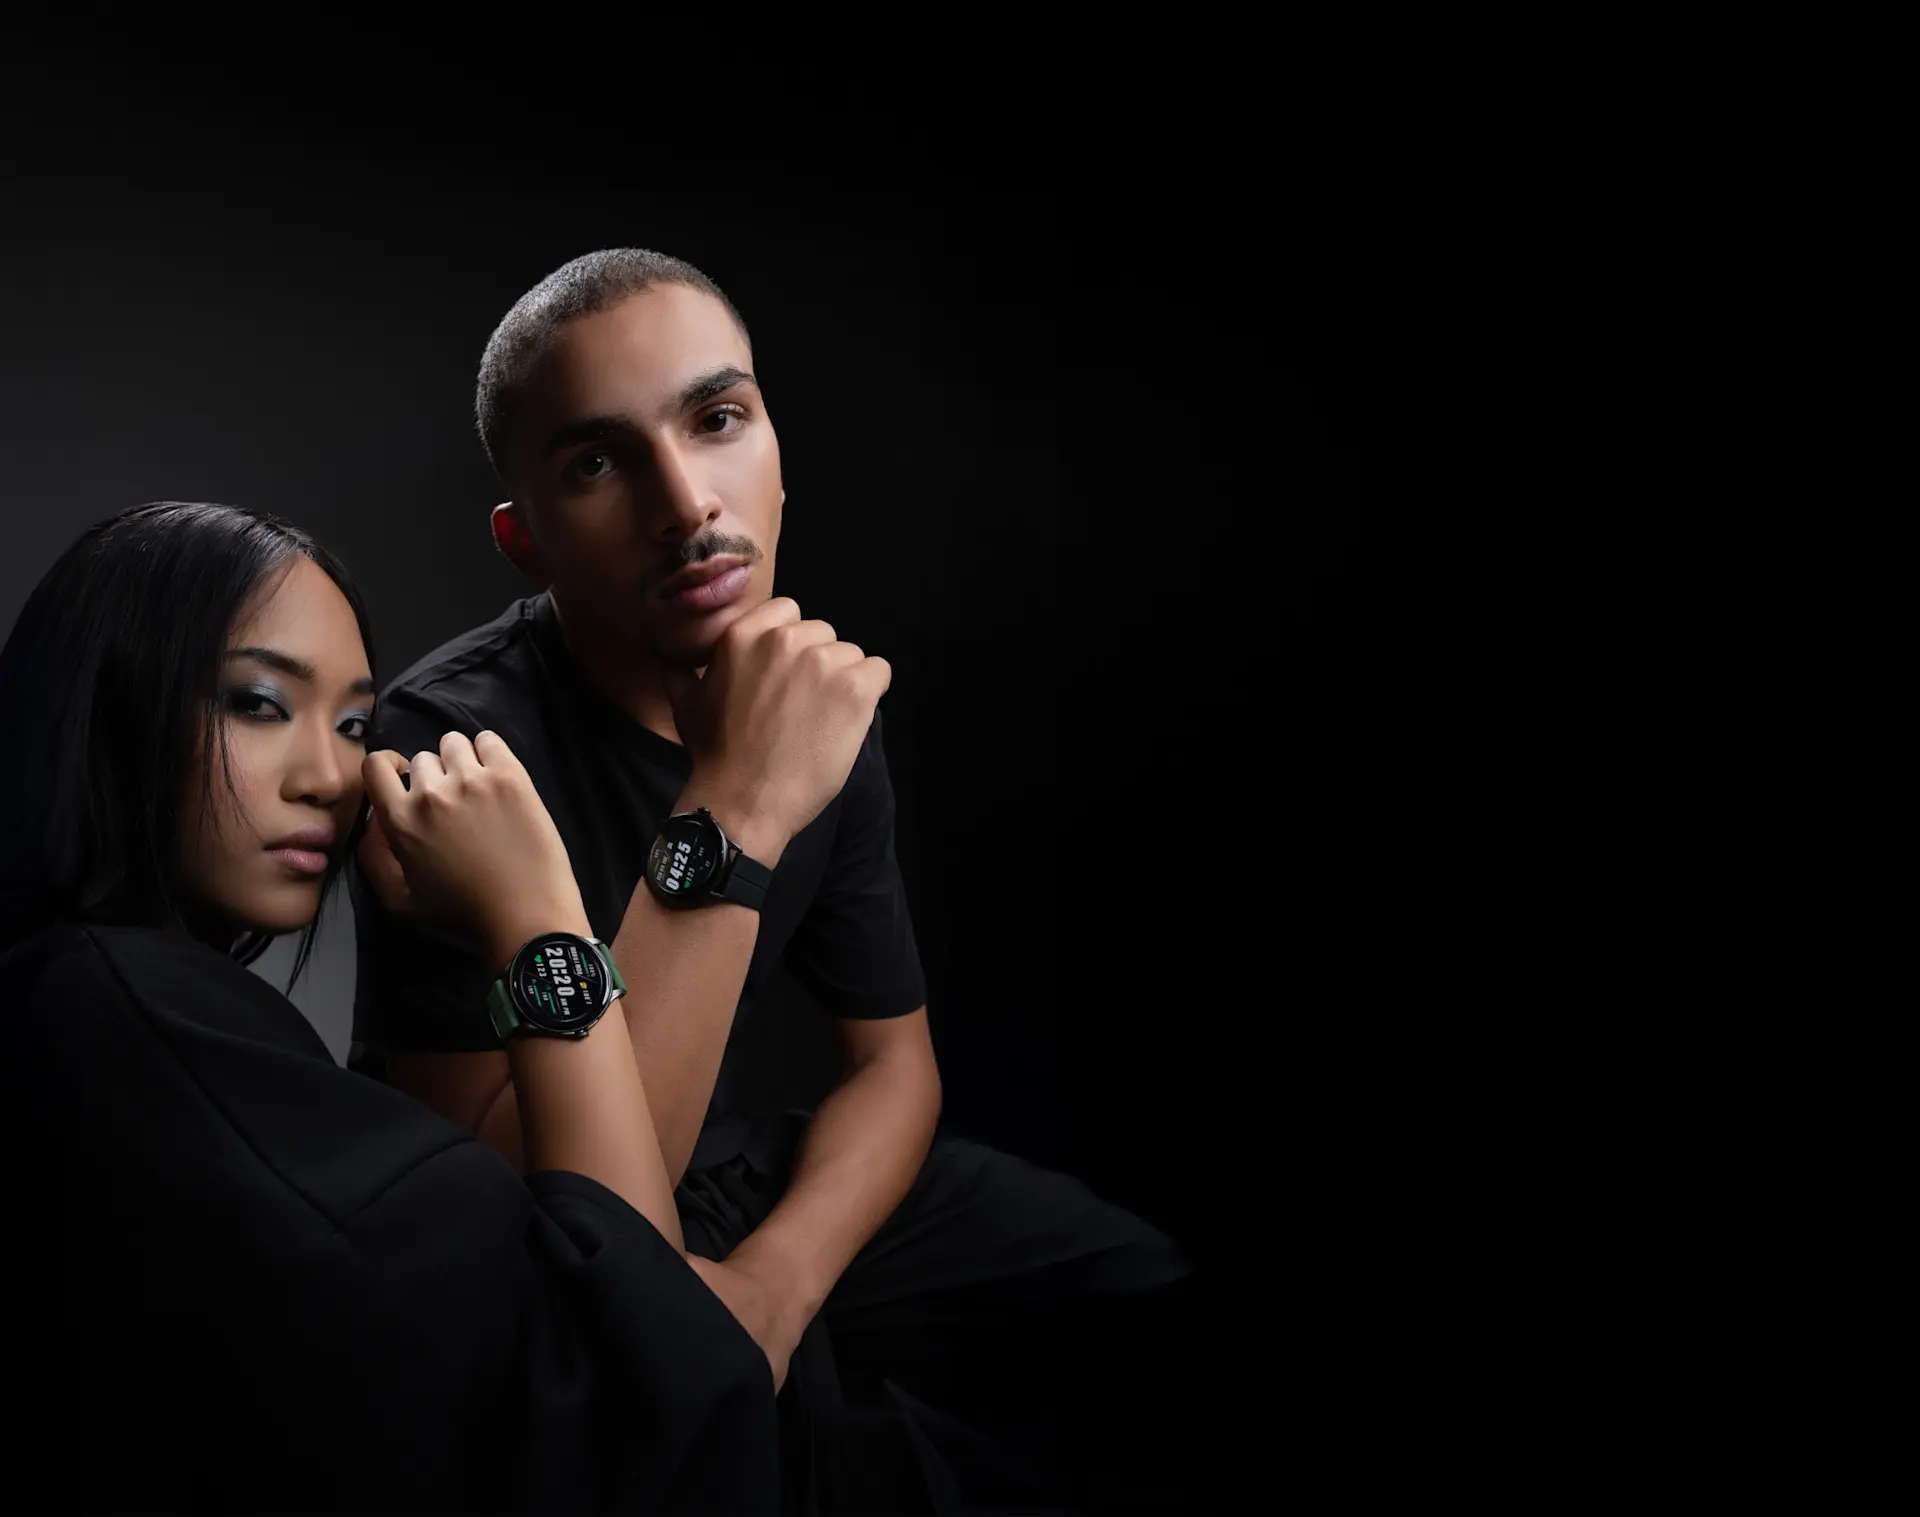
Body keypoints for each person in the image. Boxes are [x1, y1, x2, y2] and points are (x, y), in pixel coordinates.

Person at [351, 250, 1191, 1512]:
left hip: (747, 1176)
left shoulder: (811, 696)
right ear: (526, 543)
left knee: (1143, 1292)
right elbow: (555, 1218)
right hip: (538, 1236)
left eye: (718, 418)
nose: (687, 502)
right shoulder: (446, 747)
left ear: (777, 451)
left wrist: (780, 1283)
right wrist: (735, 798)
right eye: (599, 462)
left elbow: (893, 1065)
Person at [0, 500, 786, 1515]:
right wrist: (535, 915)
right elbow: (639, 1366)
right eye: (259, 702)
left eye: (354, 724)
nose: (332, 778)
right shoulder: (132, 1029)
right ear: (112, 703)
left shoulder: (95, 1007)